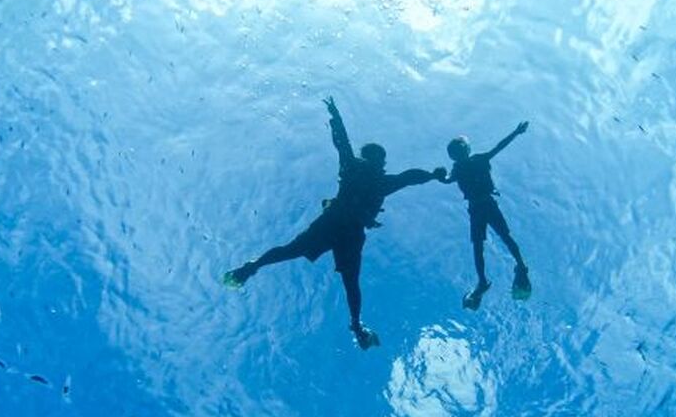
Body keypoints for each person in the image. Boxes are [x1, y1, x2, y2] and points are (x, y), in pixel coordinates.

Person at [224, 97, 446, 349]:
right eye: (380, 160)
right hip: (348, 230)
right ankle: (356, 324)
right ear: (380, 161)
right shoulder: (379, 180)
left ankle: (252, 267)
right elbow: (408, 176)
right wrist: (433, 175)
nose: (380, 164)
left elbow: (345, 145)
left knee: (294, 252)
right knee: (348, 280)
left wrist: (336, 118)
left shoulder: (356, 168)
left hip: (334, 223)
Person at [444, 121, 531, 310]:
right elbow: (499, 147)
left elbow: (499, 147)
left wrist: (516, 132)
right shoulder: (468, 164)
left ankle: (488, 278)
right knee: (498, 238)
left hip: (480, 206)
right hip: (483, 205)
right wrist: (516, 132)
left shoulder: (466, 165)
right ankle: (516, 265)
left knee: (484, 243)